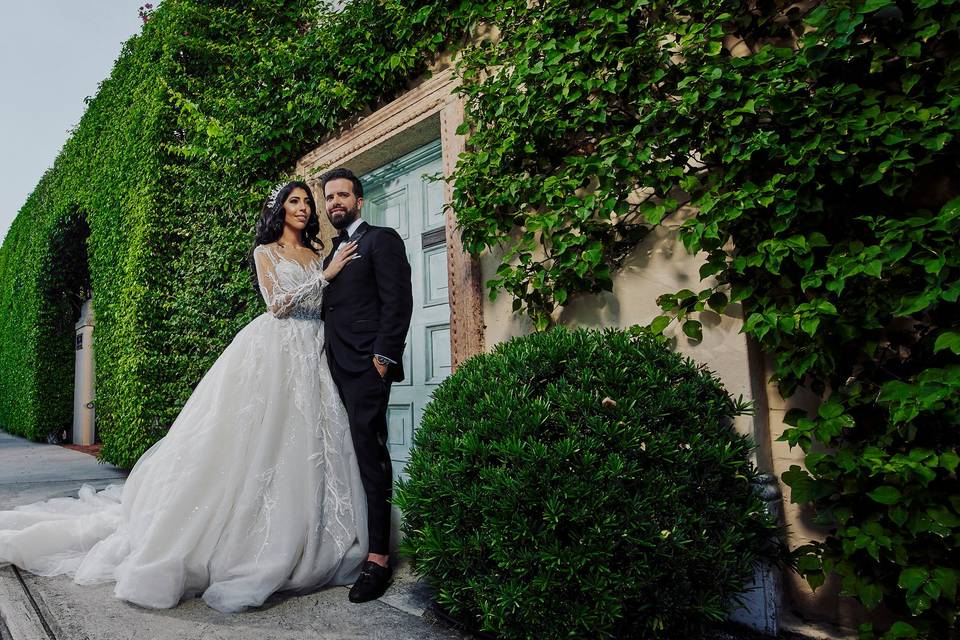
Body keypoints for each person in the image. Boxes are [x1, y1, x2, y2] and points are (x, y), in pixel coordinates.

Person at [0, 181, 367, 612]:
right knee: (262, 441)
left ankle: (313, 534)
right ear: (279, 209)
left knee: (313, 445)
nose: (303, 208)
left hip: (314, 353)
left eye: (308, 202)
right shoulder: (266, 252)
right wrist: (326, 276)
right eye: (294, 201)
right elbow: (276, 304)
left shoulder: (316, 253)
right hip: (275, 350)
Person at [319, 167, 413, 603]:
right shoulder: (329, 255)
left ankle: (378, 560)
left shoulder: (382, 239)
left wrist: (382, 359)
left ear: (359, 200)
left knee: (371, 458)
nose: (335, 202)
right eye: (330, 197)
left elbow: (398, 302)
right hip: (332, 369)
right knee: (345, 457)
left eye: (342, 195)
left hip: (365, 370)